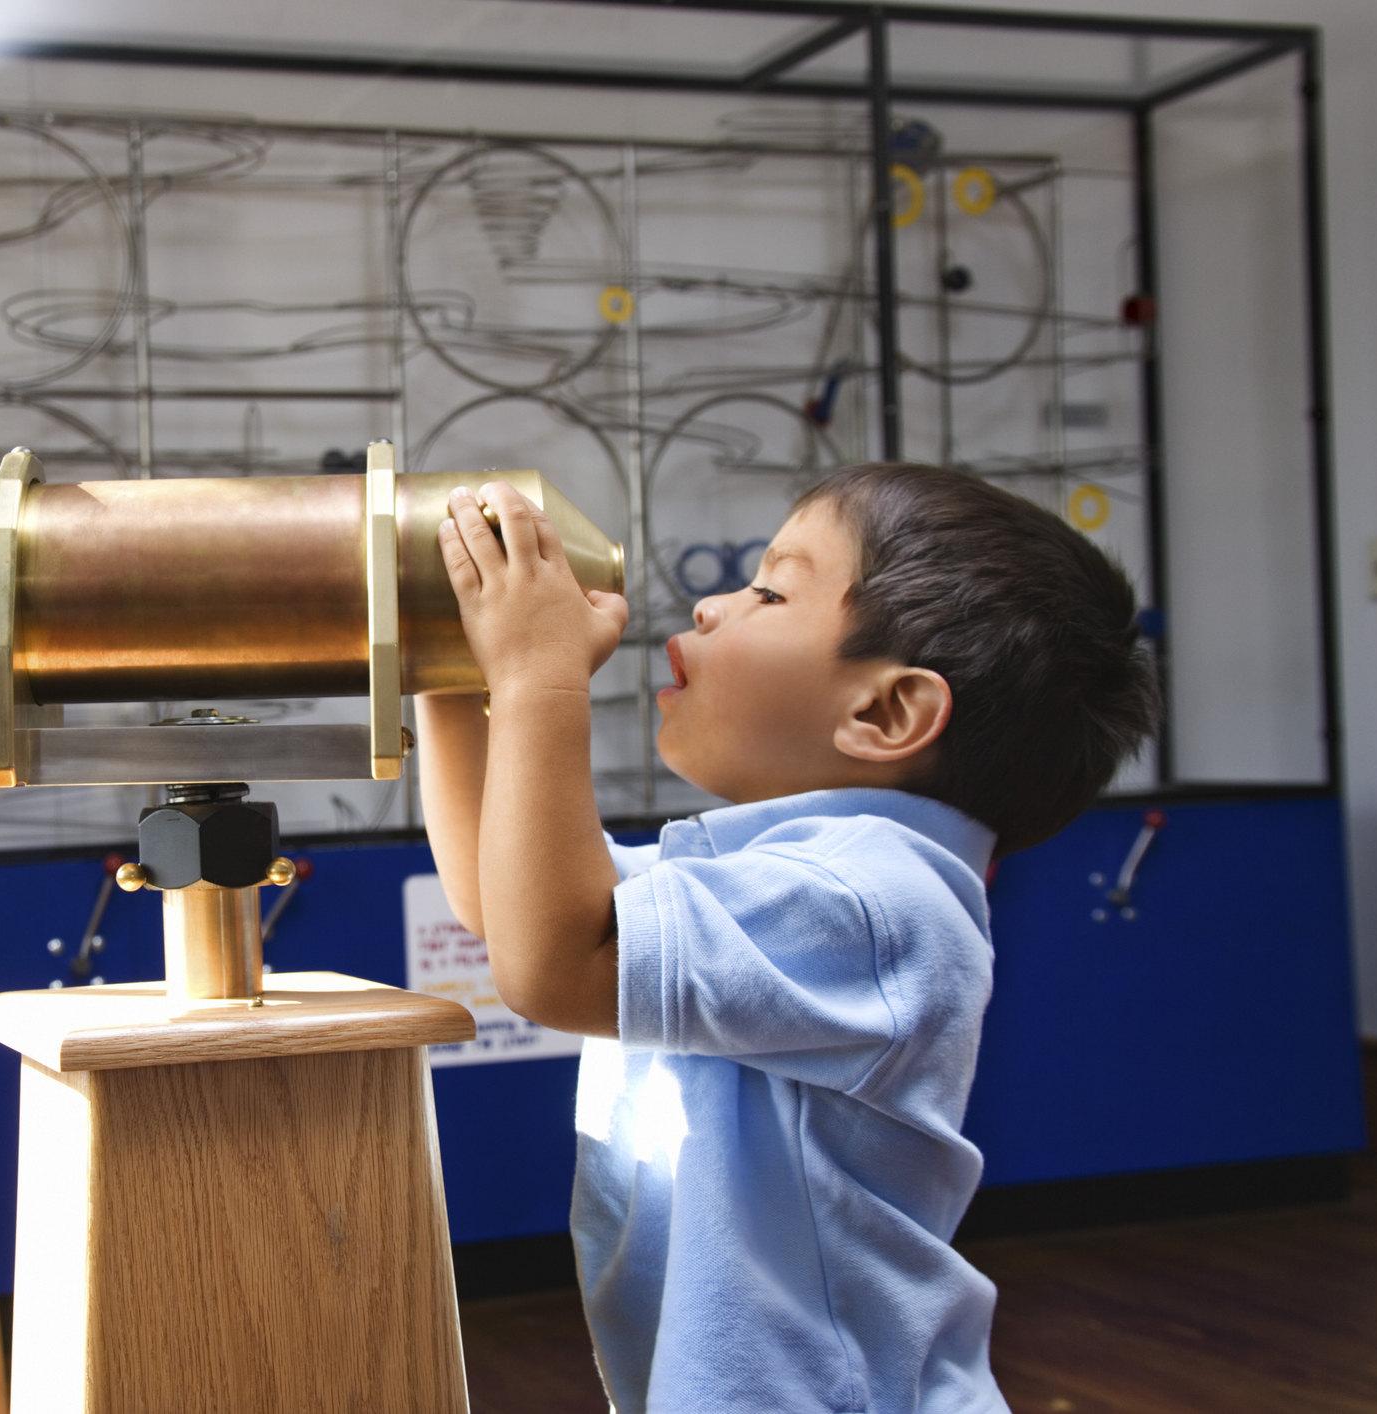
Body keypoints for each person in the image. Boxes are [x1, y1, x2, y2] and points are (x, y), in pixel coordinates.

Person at [416, 463, 1158, 1413]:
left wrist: (538, 677)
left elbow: (553, 959)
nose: (714, 606)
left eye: (769, 590)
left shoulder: (875, 900)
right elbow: (504, 899)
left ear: (885, 713)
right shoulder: (785, 877)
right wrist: (451, 667)